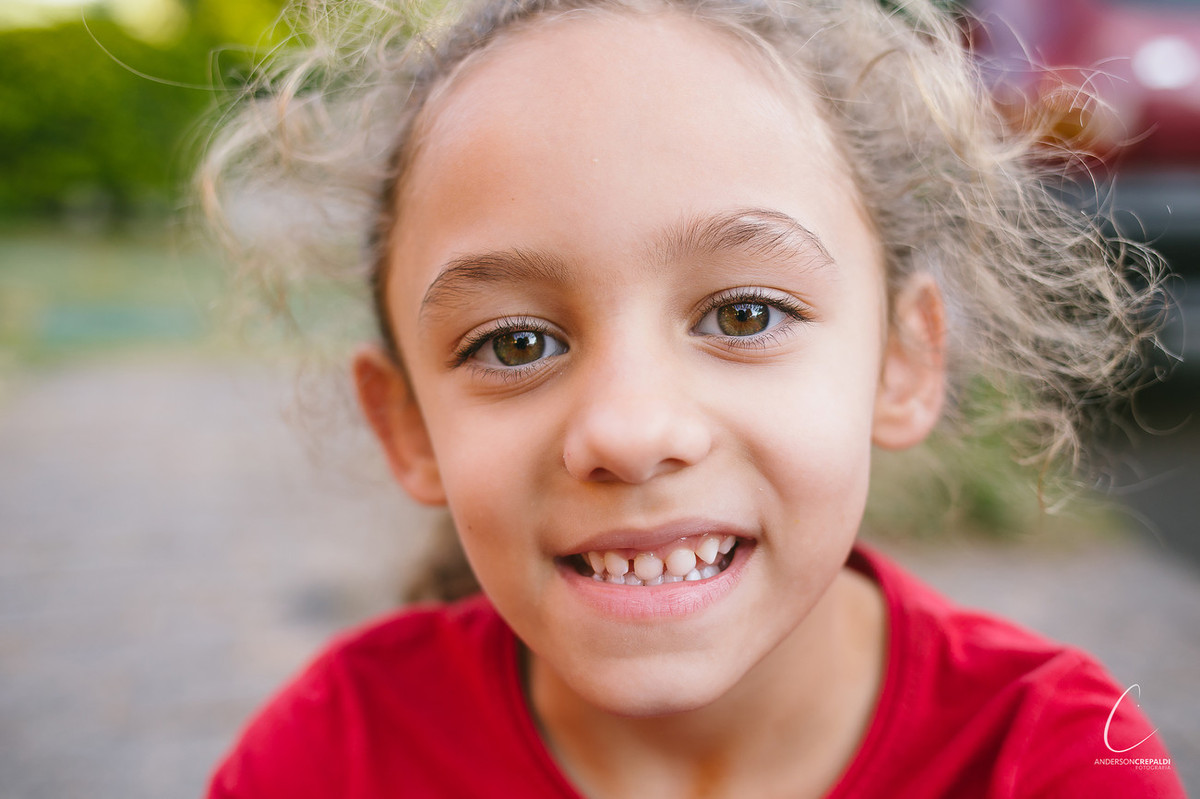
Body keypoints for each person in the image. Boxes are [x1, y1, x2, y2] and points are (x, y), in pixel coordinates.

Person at [199, 0, 1186, 795]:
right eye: (516, 341)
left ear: (904, 363)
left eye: (745, 315)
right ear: (408, 425)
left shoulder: (1052, 760)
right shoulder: (332, 757)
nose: (630, 432)